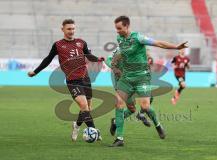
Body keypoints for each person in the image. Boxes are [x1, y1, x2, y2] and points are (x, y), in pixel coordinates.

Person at [110, 15, 188, 147]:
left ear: (127, 26)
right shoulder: (120, 39)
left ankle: (158, 125)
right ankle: (119, 139)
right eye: (116, 29)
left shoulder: (138, 38)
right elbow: (121, 53)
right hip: (126, 78)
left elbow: (158, 43)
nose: (117, 31)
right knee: (118, 103)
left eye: (119, 28)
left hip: (142, 77)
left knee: (145, 107)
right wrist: (114, 63)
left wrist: (176, 47)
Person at [27, 19, 105, 142]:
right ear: (62, 29)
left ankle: (77, 126)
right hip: (72, 81)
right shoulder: (58, 45)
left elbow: (88, 55)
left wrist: (98, 59)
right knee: (84, 106)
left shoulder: (81, 42)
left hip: (85, 78)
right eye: (69, 29)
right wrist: (35, 72)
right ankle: (94, 131)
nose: (71, 31)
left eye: (73, 28)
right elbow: (48, 59)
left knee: (87, 108)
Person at [105, 48, 151, 137]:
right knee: (124, 105)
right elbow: (108, 59)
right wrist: (115, 68)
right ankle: (119, 136)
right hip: (120, 82)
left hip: (131, 80)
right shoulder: (118, 50)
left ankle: (115, 122)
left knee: (132, 109)